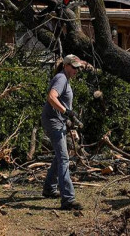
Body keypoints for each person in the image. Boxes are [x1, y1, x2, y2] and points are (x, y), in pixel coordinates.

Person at [41, 54, 83, 210]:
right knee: (64, 158)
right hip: (53, 123)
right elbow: (51, 97)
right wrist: (66, 112)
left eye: (77, 68)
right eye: (74, 67)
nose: (76, 71)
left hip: (58, 121)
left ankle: (49, 189)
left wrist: (67, 118)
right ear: (66, 65)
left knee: (60, 157)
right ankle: (68, 200)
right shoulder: (61, 78)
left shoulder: (65, 78)